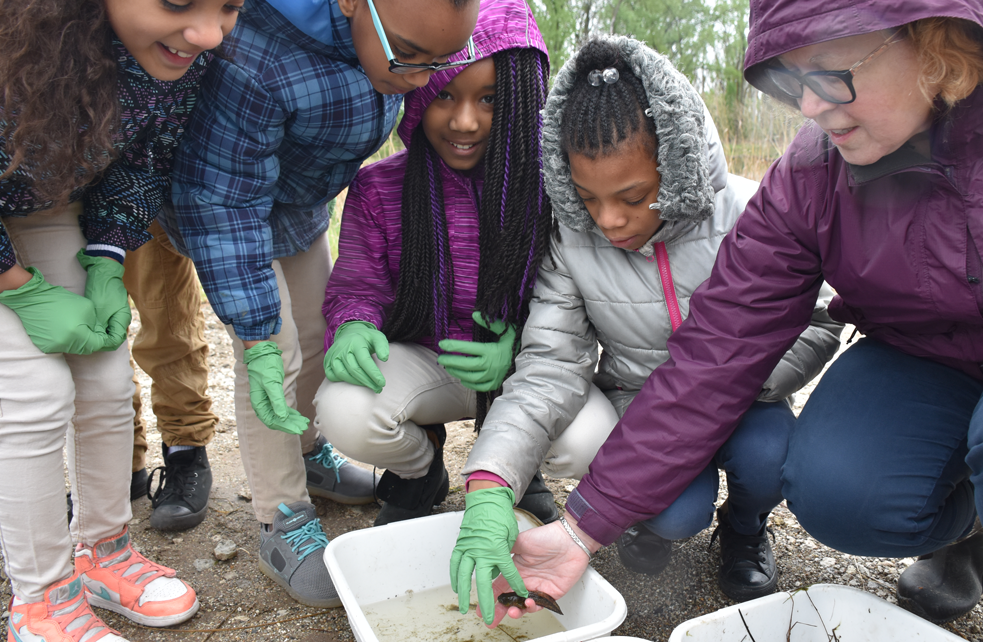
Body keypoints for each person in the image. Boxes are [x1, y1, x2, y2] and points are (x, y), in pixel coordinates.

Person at [485, 0, 983, 639]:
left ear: (933, 38)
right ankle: (977, 523)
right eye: (792, 81)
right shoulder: (810, 177)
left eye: (830, 72)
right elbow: (716, 352)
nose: (808, 107)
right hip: (926, 354)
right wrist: (582, 527)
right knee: (839, 493)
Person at [448, 36, 843, 624]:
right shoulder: (572, 240)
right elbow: (548, 367)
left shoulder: (754, 212)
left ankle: (743, 527)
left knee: (772, 458)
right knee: (676, 512)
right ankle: (648, 521)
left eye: (634, 196)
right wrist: (488, 483)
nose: (608, 220)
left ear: (677, 163)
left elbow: (820, 318)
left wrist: (727, 387)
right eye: (587, 197)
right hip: (644, 407)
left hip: (749, 402)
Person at [163, 0, 481, 608]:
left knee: (315, 335)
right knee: (273, 351)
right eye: (408, 57)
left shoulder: (401, 37)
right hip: (228, 208)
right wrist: (254, 327)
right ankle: (281, 516)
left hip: (299, 207)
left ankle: (309, 455)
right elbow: (222, 202)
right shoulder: (258, 58)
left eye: (436, 62)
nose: (420, 78)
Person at [0, 0, 240, 639]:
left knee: (104, 381)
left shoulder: (178, 57)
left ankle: (102, 553)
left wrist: (106, 256)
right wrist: (15, 287)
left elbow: (139, 164)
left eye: (230, 7)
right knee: (33, 392)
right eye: (179, 2)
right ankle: (41, 601)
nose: (208, 33)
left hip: (43, 201)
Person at [314, 0, 556, 527]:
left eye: (490, 99)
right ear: (418, 89)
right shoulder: (379, 188)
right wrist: (353, 325)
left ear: (520, 98)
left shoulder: (552, 188)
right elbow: (360, 285)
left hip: (525, 368)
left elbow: (573, 298)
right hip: (427, 363)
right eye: (444, 94)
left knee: (589, 434)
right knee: (345, 409)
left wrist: (520, 346)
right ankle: (422, 468)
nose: (465, 121)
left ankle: (520, 462)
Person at [124, 220, 220, 532]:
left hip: (138, 188)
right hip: (54, 194)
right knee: (91, 337)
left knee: (169, 323)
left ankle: (186, 451)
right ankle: (119, 463)